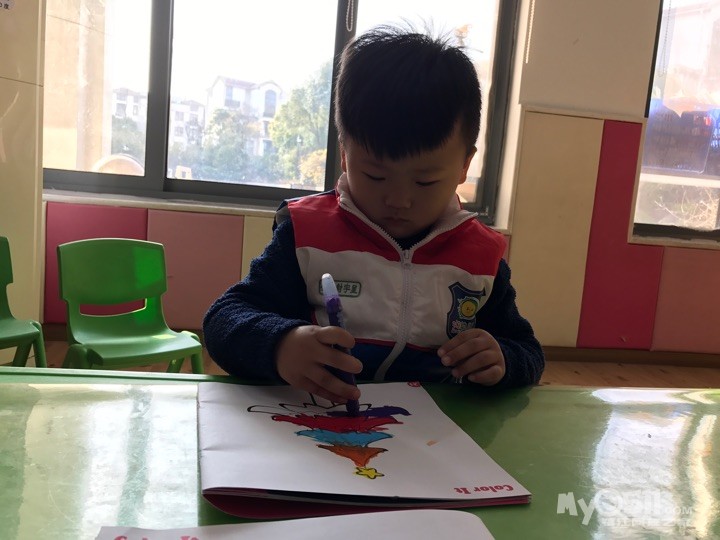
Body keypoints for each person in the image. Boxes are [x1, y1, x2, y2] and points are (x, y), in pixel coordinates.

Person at [203, 25, 544, 404]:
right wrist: (280, 344)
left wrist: (504, 359)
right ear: (345, 155)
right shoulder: (306, 235)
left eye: (425, 181)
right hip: (321, 422)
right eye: (375, 176)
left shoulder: (480, 258)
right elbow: (224, 319)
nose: (399, 200)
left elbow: (527, 350)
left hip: (435, 432)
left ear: (465, 165)